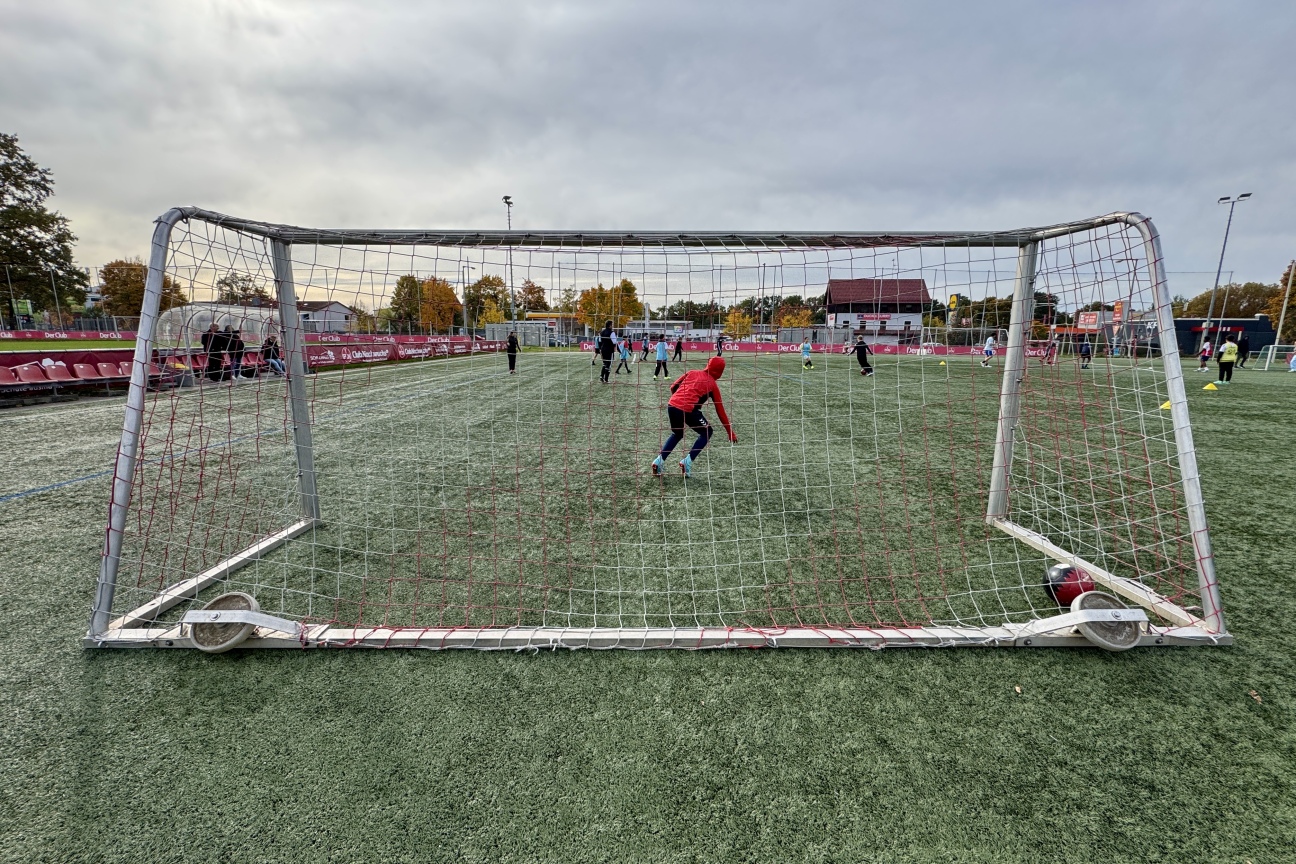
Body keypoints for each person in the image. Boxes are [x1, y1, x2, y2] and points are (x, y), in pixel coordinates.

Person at [651, 356, 737, 478]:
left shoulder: (692, 372)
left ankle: (658, 461)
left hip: (672, 405)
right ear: (720, 372)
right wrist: (730, 432)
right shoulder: (712, 385)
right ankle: (687, 461)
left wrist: (679, 401)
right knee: (707, 431)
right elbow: (720, 410)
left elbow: (673, 387)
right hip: (688, 409)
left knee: (677, 434)